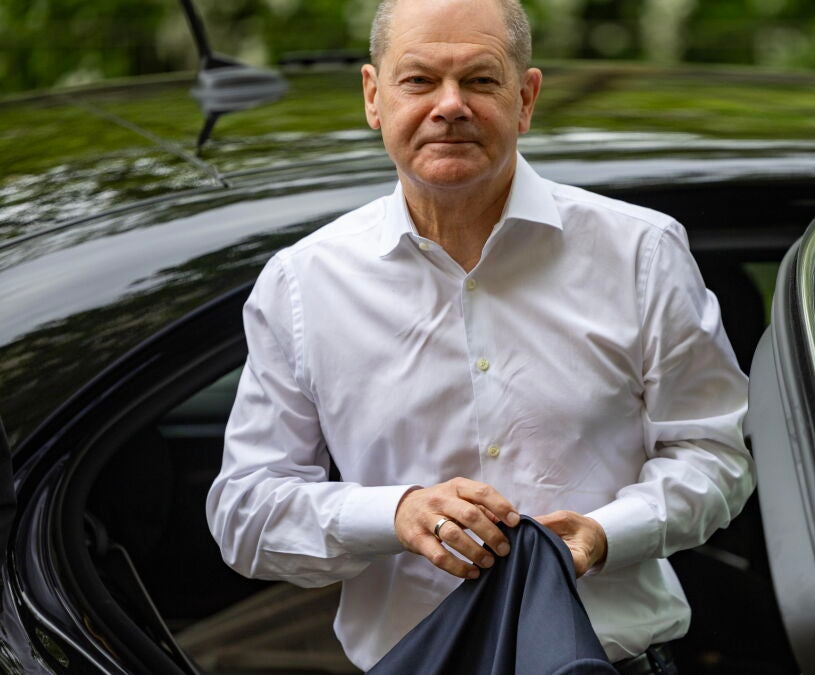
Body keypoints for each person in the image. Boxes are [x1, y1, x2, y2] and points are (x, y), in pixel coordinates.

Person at [206, 0, 754, 670]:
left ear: (525, 99)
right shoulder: (303, 283)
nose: (449, 106)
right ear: (373, 96)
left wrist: (603, 536)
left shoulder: (640, 252)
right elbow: (245, 512)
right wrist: (396, 515)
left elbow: (715, 457)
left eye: (480, 80)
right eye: (418, 80)